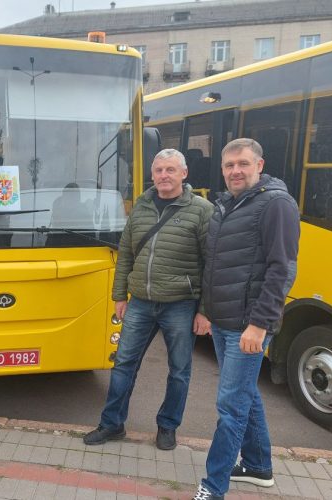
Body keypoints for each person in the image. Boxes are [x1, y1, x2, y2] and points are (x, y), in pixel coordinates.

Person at [83, 149, 213, 450]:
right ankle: (112, 424)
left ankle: (168, 427)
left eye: (170, 170)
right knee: (124, 364)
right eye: (159, 170)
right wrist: (119, 295)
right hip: (140, 301)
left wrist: (205, 311)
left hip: (180, 303)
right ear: (152, 174)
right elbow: (126, 252)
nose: (164, 176)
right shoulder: (141, 206)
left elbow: (212, 264)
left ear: (184, 173)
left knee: (179, 370)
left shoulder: (202, 210)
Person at [192, 139, 299, 500]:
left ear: (259, 165)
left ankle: (213, 486)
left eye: (243, 164)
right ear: (221, 169)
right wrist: (207, 310)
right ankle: (258, 466)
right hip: (224, 322)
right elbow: (215, 266)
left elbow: (281, 269)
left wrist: (259, 325)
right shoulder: (227, 205)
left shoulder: (276, 204)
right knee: (246, 395)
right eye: (229, 165)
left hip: (247, 326)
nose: (235, 171)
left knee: (231, 407)